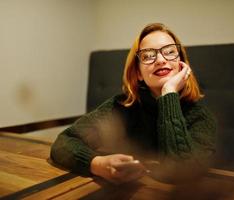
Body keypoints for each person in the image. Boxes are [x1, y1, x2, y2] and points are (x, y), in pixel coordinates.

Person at [50, 23, 217, 184]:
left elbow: (182, 172)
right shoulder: (121, 107)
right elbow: (64, 142)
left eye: (170, 52)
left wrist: (169, 94)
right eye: (148, 55)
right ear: (138, 73)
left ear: (182, 65)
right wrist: (98, 164)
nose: (160, 60)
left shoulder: (201, 117)